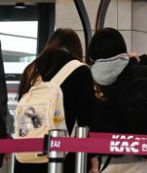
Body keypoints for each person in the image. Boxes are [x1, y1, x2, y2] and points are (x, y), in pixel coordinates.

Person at [88, 28, 147, 173]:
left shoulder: (90, 78)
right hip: (139, 158)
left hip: (105, 157)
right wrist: (140, 58)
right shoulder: (135, 70)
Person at [15, 29, 94, 173]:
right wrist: (92, 160)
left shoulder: (31, 69)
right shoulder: (80, 70)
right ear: (76, 48)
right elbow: (86, 119)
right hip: (59, 158)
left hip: (26, 154)